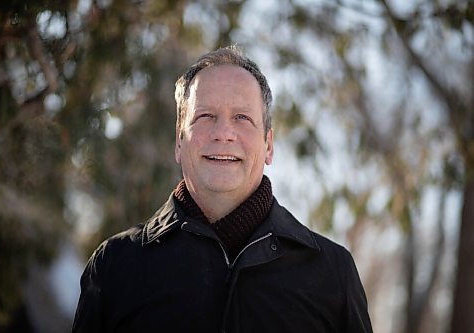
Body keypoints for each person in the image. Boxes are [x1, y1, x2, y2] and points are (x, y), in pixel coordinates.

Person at [72, 46, 373, 332]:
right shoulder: (115, 267)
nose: (223, 133)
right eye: (205, 116)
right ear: (179, 141)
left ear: (268, 145)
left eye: (242, 117)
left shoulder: (332, 274)